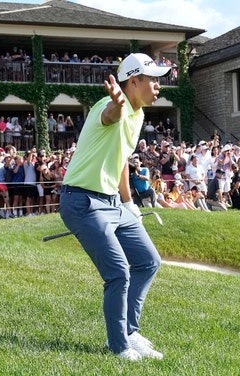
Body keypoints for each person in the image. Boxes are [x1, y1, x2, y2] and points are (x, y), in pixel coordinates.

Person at [58, 53, 168, 361]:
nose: (158, 86)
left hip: (112, 202)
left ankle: (130, 332)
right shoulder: (107, 109)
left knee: (148, 261)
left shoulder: (140, 115)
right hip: (82, 201)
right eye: (152, 80)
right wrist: (117, 105)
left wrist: (129, 203)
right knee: (118, 273)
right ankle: (118, 345)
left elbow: (120, 160)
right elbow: (110, 115)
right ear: (134, 82)